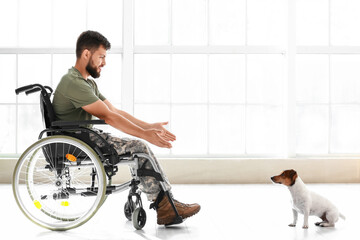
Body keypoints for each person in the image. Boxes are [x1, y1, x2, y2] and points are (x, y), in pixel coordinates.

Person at [52, 30, 200, 225]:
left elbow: (114, 111)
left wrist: (149, 126)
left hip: (86, 137)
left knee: (139, 145)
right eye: (101, 57)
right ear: (86, 54)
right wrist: (145, 135)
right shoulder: (74, 83)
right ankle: (165, 205)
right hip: (80, 141)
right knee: (139, 147)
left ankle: (166, 203)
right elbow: (108, 117)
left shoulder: (85, 83)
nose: (104, 63)